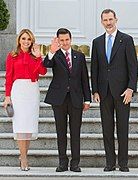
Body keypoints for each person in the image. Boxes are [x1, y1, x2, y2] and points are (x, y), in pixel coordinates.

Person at [91, 9, 138, 172]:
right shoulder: (96, 42)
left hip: (123, 92)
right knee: (107, 128)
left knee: (122, 128)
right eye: (105, 20)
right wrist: (95, 90)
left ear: (116, 19)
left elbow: (133, 67)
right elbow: (95, 68)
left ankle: (123, 163)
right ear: (101, 22)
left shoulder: (126, 40)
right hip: (104, 92)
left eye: (111, 19)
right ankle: (110, 162)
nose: (108, 22)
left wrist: (131, 88)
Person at [43, 28, 91, 172]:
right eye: (61, 40)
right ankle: (62, 162)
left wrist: (87, 99)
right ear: (58, 41)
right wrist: (51, 51)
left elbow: (84, 79)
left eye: (67, 40)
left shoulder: (79, 56)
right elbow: (46, 64)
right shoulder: (55, 55)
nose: (64, 43)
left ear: (71, 39)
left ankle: (75, 163)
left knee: (75, 131)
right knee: (61, 131)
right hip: (59, 100)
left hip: (76, 99)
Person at [3, 29, 47, 171]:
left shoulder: (35, 56)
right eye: (23, 39)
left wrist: (39, 57)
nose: (26, 41)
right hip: (18, 91)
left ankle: (23, 156)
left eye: (29, 39)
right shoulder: (12, 56)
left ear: (31, 41)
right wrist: (7, 96)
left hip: (32, 90)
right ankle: (24, 159)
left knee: (28, 127)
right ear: (19, 40)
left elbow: (42, 72)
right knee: (21, 126)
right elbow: (9, 77)